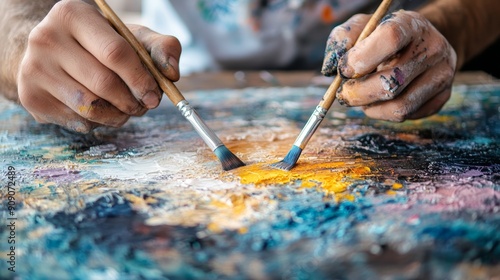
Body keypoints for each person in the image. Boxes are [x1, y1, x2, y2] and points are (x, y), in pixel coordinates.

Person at [0, 0, 498, 133]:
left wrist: (442, 30)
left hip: (378, 60)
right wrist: (25, 42)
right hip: (186, 73)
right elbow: (14, 12)